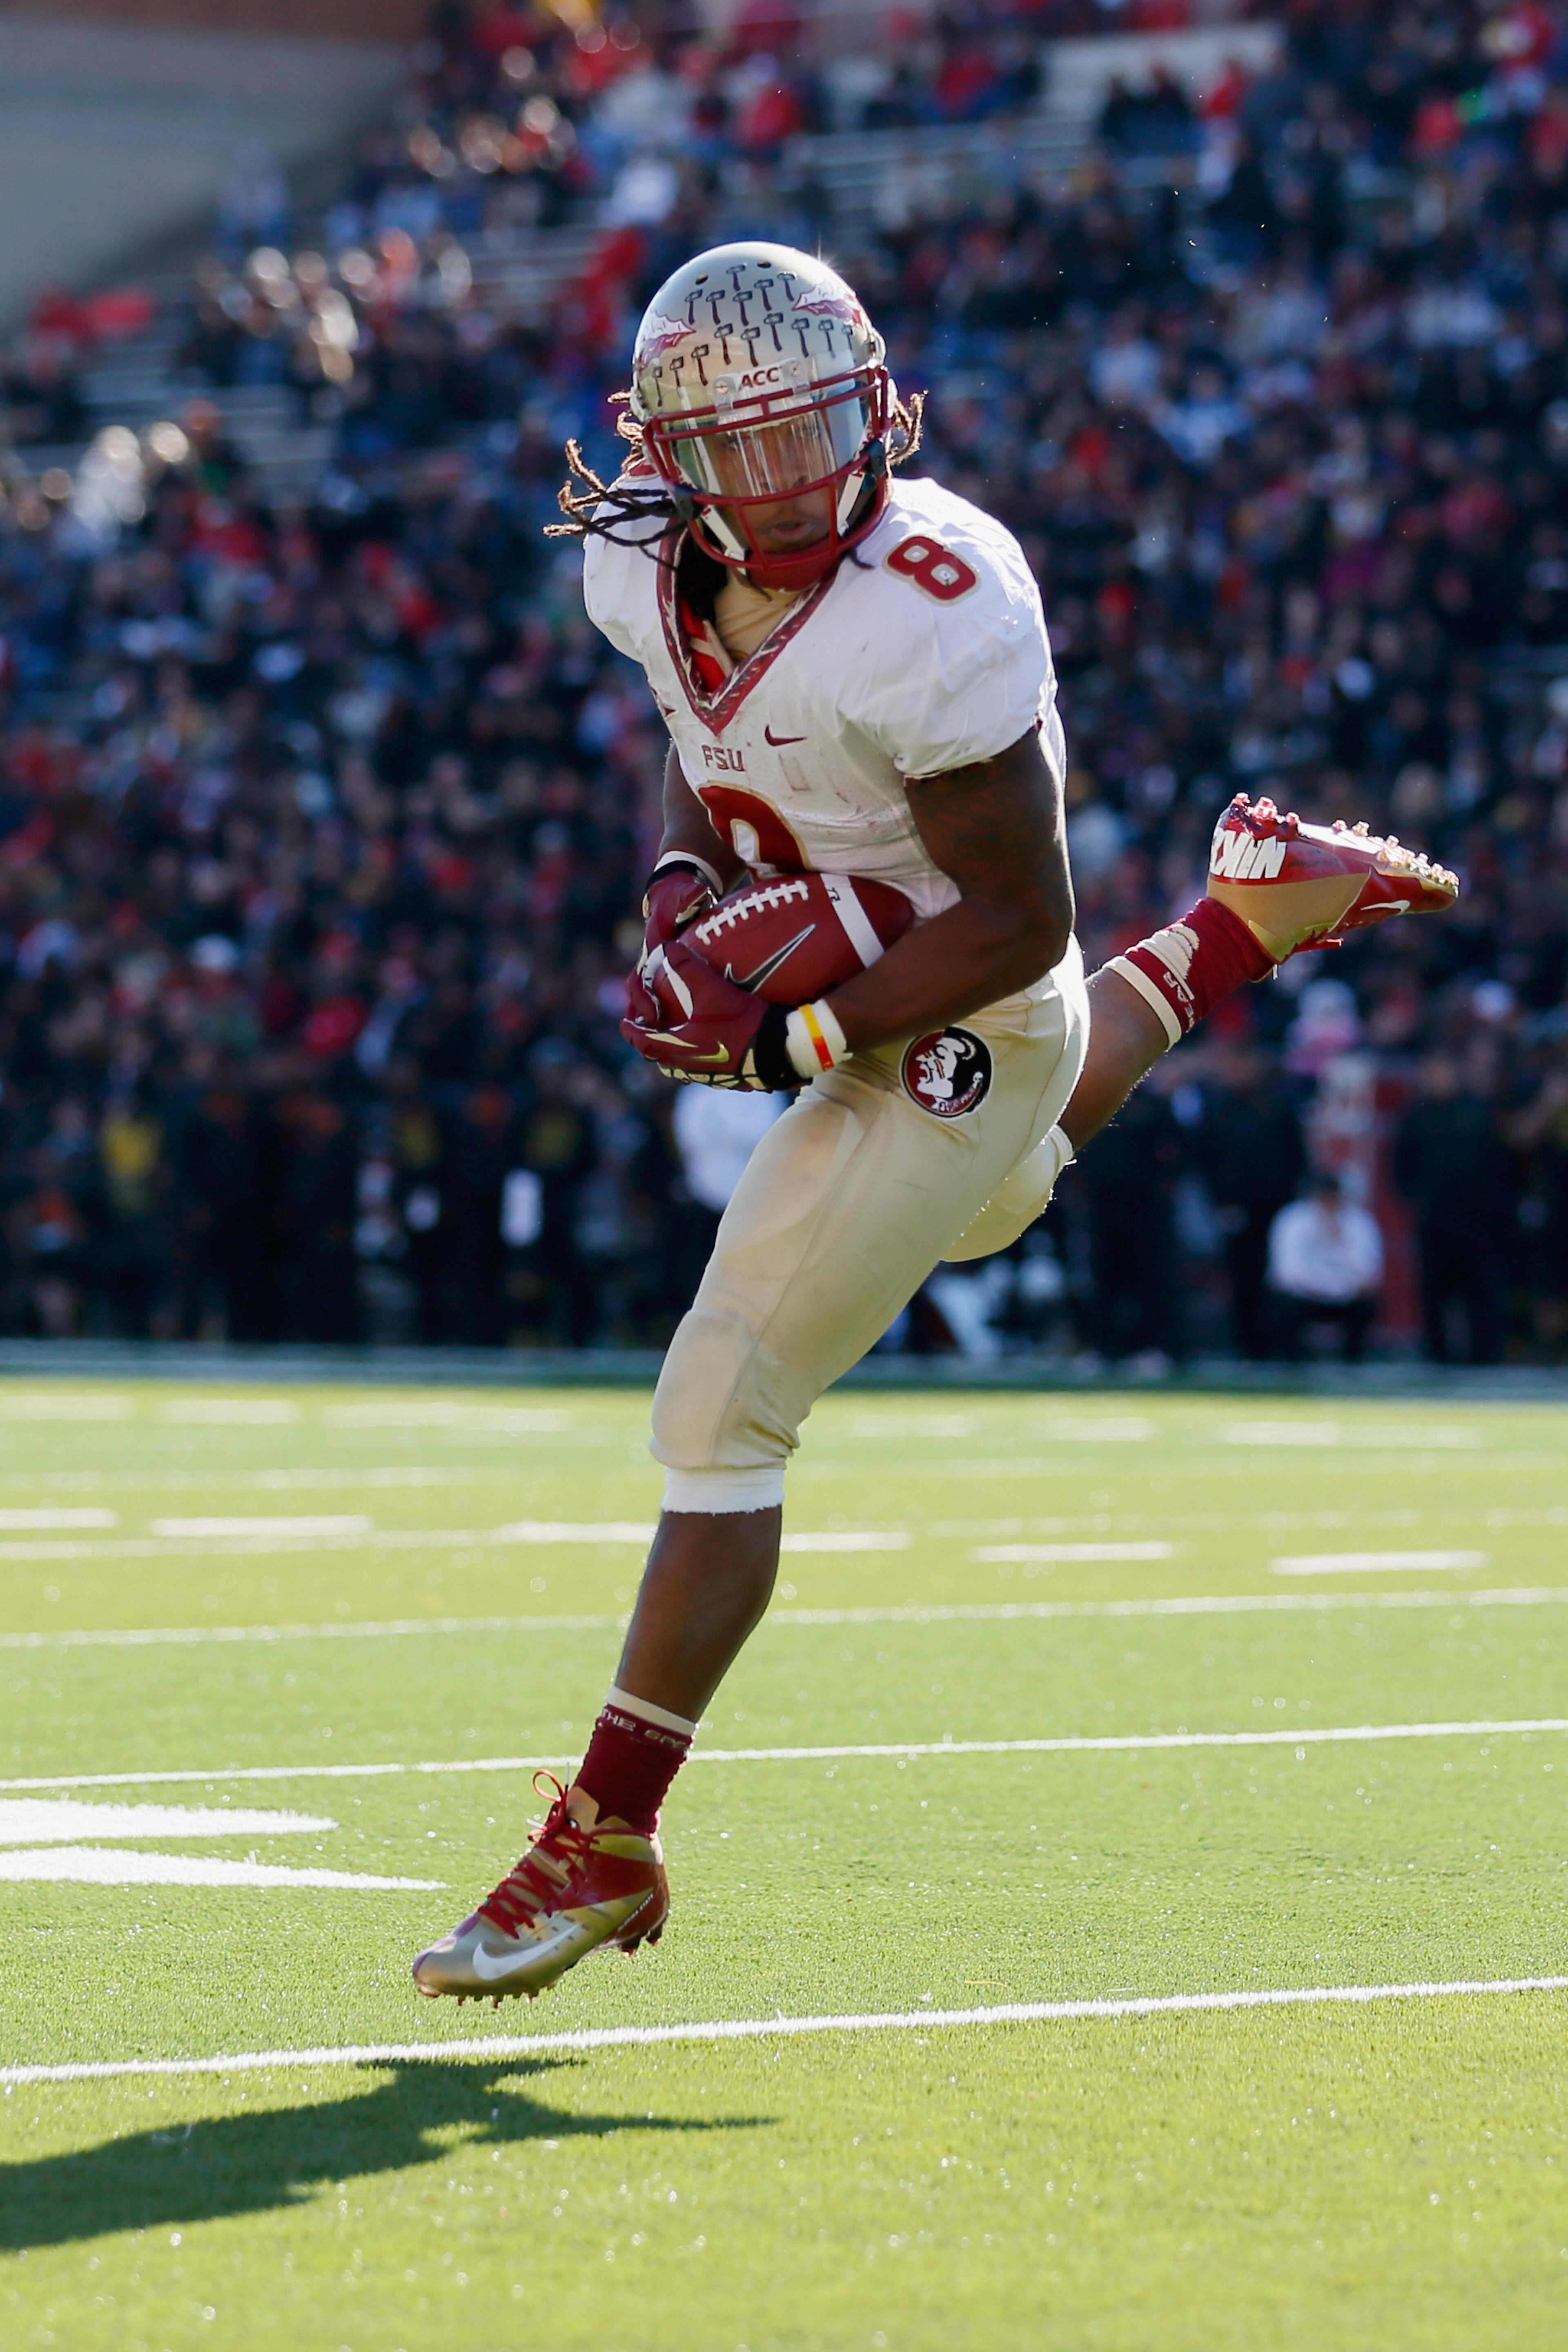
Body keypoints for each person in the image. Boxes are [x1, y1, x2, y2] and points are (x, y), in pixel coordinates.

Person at [412, 242, 1459, 2007]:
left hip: (956, 999)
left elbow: (1016, 920)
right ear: (669, 458)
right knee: (987, 1201)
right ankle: (1239, 918)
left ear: (873, 397)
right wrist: (687, 878)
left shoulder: (941, 588)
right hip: (902, 980)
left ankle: (601, 1834)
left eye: (817, 424)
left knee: (727, 1390)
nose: (793, 472)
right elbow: (698, 724)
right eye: (741, 448)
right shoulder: (640, 562)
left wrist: (792, 1032)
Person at [1266, 1168, 1383, 1362]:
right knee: (1283, 1304)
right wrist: (1321, 1289)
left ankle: (1354, 1360)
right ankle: (1289, 1360)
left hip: (1345, 1296)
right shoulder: (1294, 1220)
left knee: (1367, 1305)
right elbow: (1288, 1272)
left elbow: (1368, 1273)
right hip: (1304, 1295)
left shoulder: (1358, 1222)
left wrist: (1339, 1241)